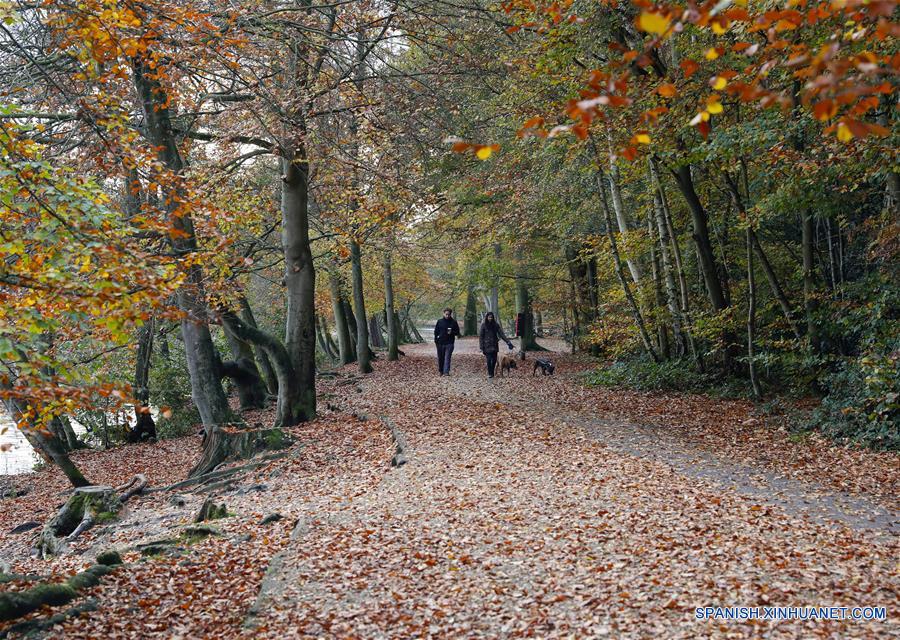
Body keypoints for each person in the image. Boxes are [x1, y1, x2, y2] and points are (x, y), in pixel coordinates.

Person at [479, 311, 513, 378]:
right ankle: (490, 373)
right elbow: (481, 336)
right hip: (487, 346)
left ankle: (492, 372)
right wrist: (481, 346)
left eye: (491, 317)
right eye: (489, 317)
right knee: (489, 360)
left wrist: (508, 342)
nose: (490, 318)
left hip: (494, 345)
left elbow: (501, 334)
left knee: (494, 360)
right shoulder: (483, 325)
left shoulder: (496, 325)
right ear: (487, 317)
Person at [434, 307, 461, 376]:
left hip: (450, 343)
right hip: (440, 343)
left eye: (448, 314)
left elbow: (457, 332)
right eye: (446, 314)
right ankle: (441, 371)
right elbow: (436, 332)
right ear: (443, 314)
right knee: (440, 357)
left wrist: (452, 332)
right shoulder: (440, 321)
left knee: (447, 357)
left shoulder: (453, 322)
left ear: (450, 314)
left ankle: (446, 372)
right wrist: (436, 340)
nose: (447, 316)